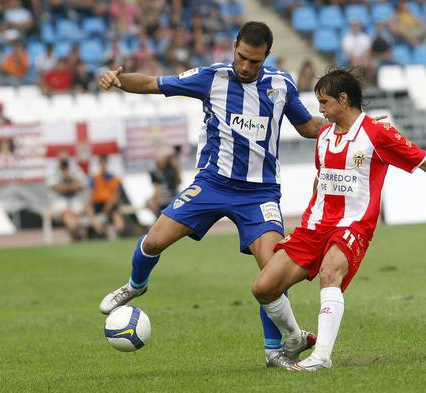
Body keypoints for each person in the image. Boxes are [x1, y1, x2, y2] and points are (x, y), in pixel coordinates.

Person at [97, 21, 331, 369]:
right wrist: (118, 80)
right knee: (154, 241)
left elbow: (308, 126)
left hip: (259, 193)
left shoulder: (281, 85)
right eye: (241, 57)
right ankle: (135, 285)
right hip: (212, 184)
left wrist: (348, 128)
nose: (245, 66)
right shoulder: (212, 77)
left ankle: (274, 350)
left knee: (273, 271)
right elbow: (152, 83)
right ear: (234, 46)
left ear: (266, 56)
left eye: (254, 61)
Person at [251, 69, 426, 371]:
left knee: (330, 272)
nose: (319, 109)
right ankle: (294, 338)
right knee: (263, 288)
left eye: (324, 101)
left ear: (344, 99)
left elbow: (425, 162)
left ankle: (321, 356)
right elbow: (321, 178)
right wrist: (311, 211)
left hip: (353, 224)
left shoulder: (377, 133)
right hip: (315, 225)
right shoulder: (323, 134)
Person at [48, 154, 87, 240]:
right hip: (59, 199)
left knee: (76, 214)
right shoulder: (53, 171)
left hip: (75, 199)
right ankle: (75, 235)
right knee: (67, 215)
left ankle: (75, 235)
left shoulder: (75, 170)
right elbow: (56, 187)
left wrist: (70, 178)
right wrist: (71, 187)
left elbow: (82, 184)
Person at [85, 155, 125, 238]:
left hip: (110, 204)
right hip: (97, 203)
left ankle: (117, 233)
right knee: (89, 210)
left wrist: (108, 206)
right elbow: (90, 194)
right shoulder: (95, 178)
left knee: (117, 218)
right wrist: (88, 205)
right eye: (101, 164)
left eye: (104, 163)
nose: (103, 166)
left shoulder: (115, 178)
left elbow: (116, 195)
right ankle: (101, 231)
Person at [146, 150, 182, 217]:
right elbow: (156, 189)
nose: (161, 163)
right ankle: (158, 217)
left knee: (152, 202)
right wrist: (156, 198)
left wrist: (177, 168)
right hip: (162, 196)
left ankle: (161, 217)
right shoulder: (154, 172)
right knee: (149, 202)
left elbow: (179, 182)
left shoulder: (171, 169)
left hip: (173, 194)